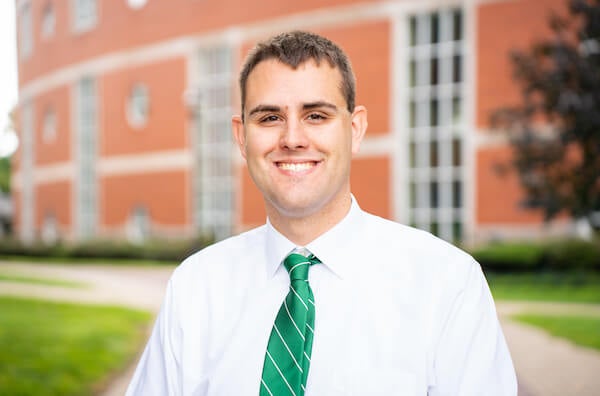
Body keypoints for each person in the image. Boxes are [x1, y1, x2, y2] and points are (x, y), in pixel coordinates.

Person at [127, 31, 517, 395]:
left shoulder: (447, 284)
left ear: (356, 128)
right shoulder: (195, 288)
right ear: (241, 137)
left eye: (316, 115)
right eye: (269, 118)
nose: (293, 139)